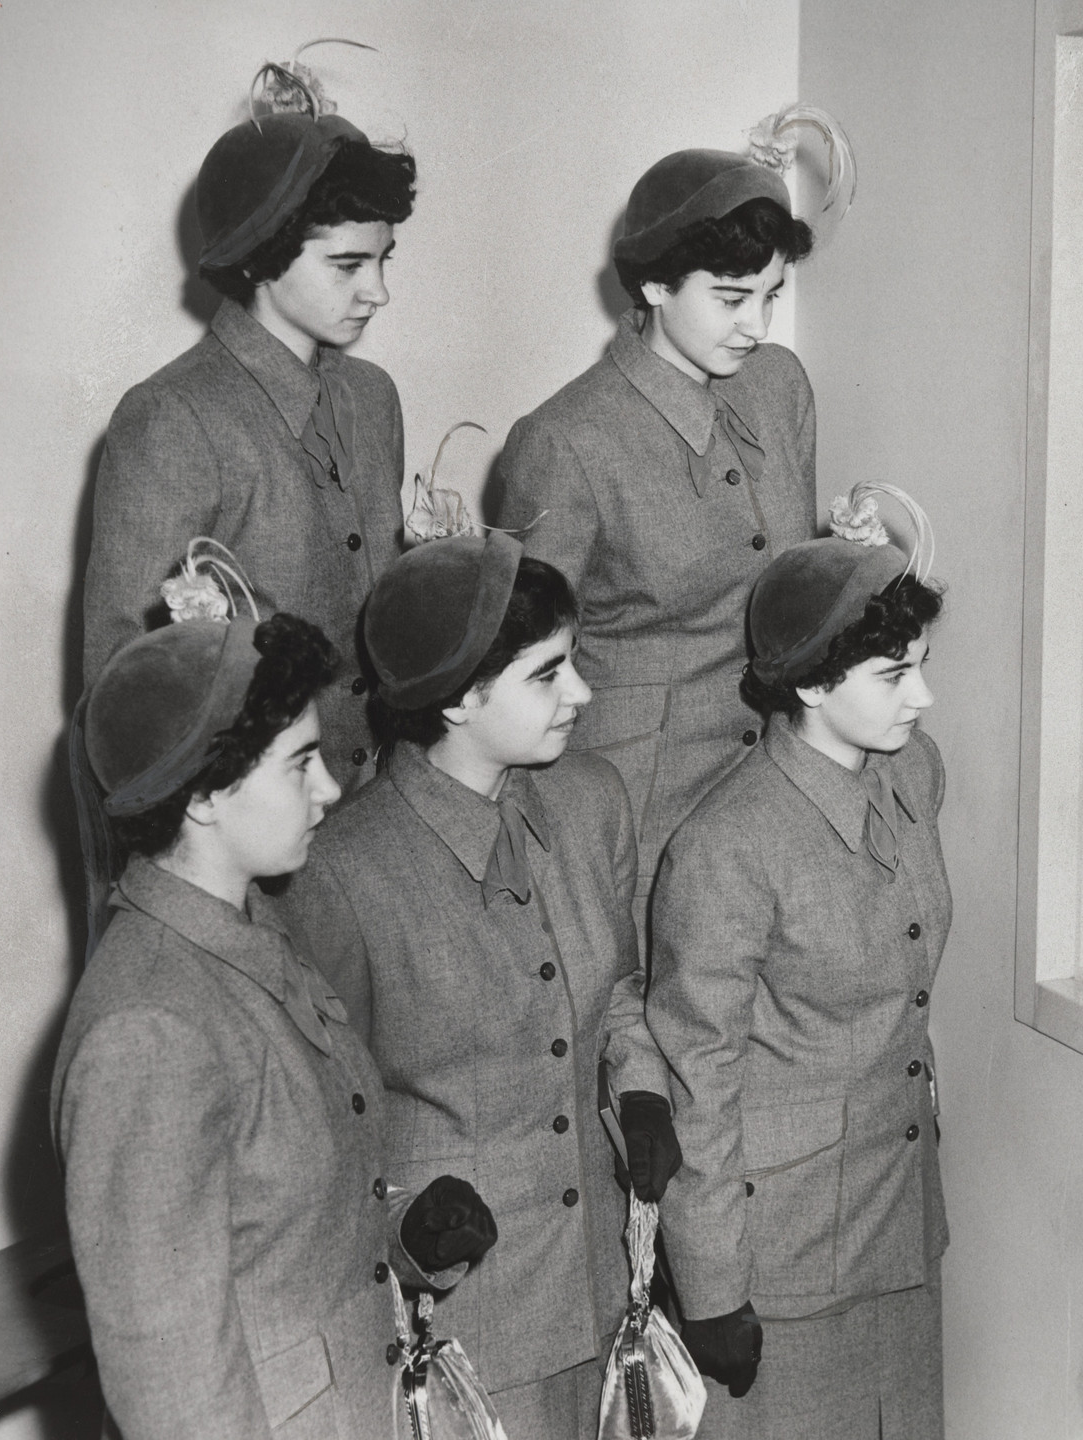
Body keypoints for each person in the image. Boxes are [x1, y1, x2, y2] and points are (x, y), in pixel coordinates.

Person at [54, 591, 496, 1439]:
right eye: (299, 764)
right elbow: (169, 1386)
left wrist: (406, 1233)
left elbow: (272, 1225)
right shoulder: (149, 1028)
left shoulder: (252, 932)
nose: (331, 787)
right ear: (203, 797)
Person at [276, 531, 679, 1439]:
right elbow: (316, 1131)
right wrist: (403, 1233)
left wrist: (643, 1095)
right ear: (458, 699)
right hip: (461, 1322)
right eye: (547, 674)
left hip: (606, 1282)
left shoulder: (591, 800)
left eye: (572, 663)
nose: (580, 692)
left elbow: (617, 991)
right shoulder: (339, 874)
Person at [648, 485, 950, 1439]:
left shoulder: (912, 770)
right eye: (895, 673)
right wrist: (710, 1288)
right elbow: (699, 1070)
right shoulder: (726, 844)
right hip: (780, 1252)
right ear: (813, 683)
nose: (923, 696)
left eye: (924, 667)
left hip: (896, 1211)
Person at [496, 116, 842, 919]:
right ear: (653, 286)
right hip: (637, 804)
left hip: (777, 775)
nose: (756, 325)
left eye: (770, 296)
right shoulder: (563, 441)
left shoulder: (778, 385)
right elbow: (523, 670)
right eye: (729, 298)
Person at [83, 83, 416, 784]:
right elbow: (124, 692)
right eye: (349, 264)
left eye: (385, 260)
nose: (378, 291)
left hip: (378, 814)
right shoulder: (172, 417)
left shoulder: (372, 397)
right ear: (263, 258)